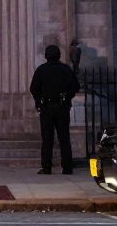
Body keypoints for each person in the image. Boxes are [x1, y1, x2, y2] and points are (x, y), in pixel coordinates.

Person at [29, 44, 80, 175]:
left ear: (46, 56)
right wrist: (67, 97)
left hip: (46, 107)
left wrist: (38, 101)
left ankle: (46, 167)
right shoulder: (66, 69)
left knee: (47, 138)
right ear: (59, 55)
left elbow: (33, 88)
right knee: (64, 137)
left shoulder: (42, 70)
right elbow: (75, 86)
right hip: (62, 106)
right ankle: (67, 167)